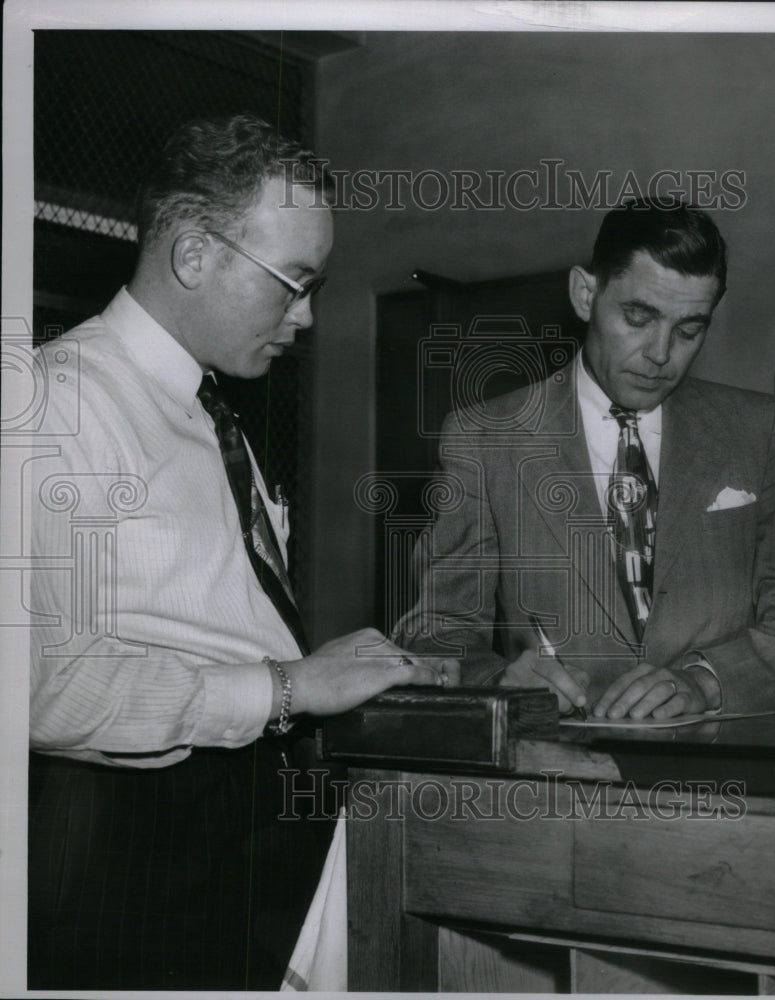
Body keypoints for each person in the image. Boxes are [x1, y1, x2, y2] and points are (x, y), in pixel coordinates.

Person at [28, 114, 458, 991]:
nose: (306, 316)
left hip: (232, 820)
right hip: (124, 846)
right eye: (293, 283)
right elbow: (39, 682)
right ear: (194, 255)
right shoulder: (56, 404)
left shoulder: (211, 410)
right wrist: (293, 685)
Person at [395, 200, 775, 721]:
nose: (660, 353)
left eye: (689, 330)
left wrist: (706, 683)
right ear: (585, 294)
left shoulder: (760, 429)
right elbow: (436, 632)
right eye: (639, 317)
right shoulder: (484, 438)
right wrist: (499, 680)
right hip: (558, 779)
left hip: (726, 776)